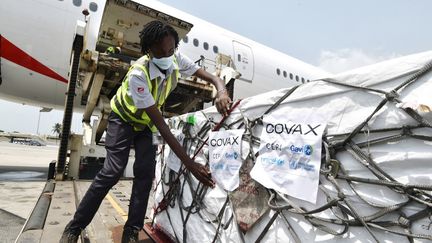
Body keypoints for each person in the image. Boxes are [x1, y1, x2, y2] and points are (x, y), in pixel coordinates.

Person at [60, 20, 232, 243]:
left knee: (145, 175)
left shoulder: (176, 59)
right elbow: (161, 124)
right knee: (112, 172)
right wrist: (190, 164)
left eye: (171, 50)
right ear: (149, 51)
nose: (168, 55)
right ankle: (74, 227)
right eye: (162, 52)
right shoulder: (138, 75)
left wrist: (221, 91)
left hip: (147, 126)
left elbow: (213, 78)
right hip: (123, 120)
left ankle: (132, 230)